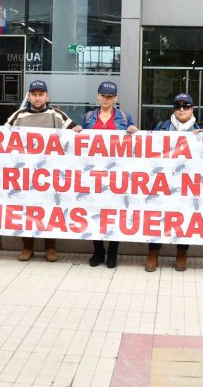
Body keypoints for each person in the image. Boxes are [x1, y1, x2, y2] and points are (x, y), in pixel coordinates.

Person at [6, 80, 81, 262]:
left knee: (49, 210)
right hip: (25, 174)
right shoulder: (18, 116)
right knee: (27, 210)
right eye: (34, 94)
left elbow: (74, 130)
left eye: (41, 94)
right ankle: (28, 246)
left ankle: (50, 247)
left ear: (47, 96)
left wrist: (77, 130)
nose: (37, 98)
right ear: (29, 96)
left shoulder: (56, 114)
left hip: (50, 175)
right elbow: (2, 137)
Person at [145, 93, 203, 272]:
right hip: (163, 182)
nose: (181, 110)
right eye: (178, 106)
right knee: (158, 216)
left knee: (184, 217)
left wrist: (202, 140)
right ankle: (153, 252)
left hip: (187, 184)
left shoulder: (201, 131)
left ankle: (181, 252)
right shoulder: (161, 127)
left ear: (192, 109)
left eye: (186, 106)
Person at [82, 81, 138, 268]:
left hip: (117, 174)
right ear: (97, 96)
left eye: (110, 96)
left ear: (116, 98)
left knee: (115, 212)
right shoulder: (88, 117)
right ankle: (98, 250)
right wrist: (76, 132)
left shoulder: (124, 116)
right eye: (103, 96)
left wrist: (132, 130)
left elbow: (134, 141)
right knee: (95, 211)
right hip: (94, 174)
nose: (106, 99)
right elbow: (80, 144)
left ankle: (113, 250)